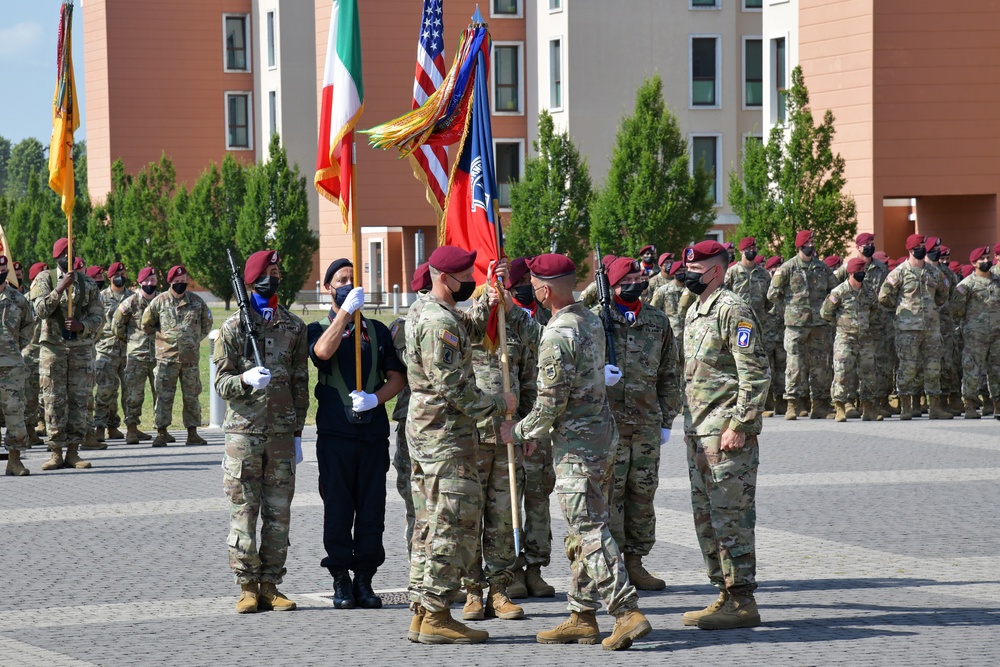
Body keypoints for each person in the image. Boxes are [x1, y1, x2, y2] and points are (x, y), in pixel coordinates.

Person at [500, 253, 652, 651]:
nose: (532, 291)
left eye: (534, 286)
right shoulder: (590, 320)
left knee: (588, 531)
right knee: (585, 527)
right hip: (601, 440)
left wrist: (516, 430)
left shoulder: (557, 334)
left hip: (577, 449)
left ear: (545, 290)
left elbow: (550, 403)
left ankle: (625, 612)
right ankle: (582, 616)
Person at [404, 246, 515, 645]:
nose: (469, 279)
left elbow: (467, 327)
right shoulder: (437, 322)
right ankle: (437, 614)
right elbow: (455, 388)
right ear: (444, 278)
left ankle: (422, 611)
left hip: (428, 431)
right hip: (445, 436)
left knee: (428, 523)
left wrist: (489, 292)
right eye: (465, 275)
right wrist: (499, 404)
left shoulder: (427, 310)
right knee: (452, 523)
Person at [679, 241, 770, 630]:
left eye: (695, 270)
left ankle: (743, 599)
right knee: (707, 518)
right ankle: (723, 592)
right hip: (699, 434)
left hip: (726, 436)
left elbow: (754, 372)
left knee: (731, 515)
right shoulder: (696, 309)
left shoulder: (733, 310)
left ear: (715, 271)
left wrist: (741, 424)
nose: (688, 275)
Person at [213, 250, 309, 614]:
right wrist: (244, 379)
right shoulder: (235, 326)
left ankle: (271, 584)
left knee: (279, 513)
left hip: (282, 433)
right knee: (244, 511)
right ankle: (247, 586)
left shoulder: (294, 326)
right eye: (270, 271)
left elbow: (300, 382)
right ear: (253, 278)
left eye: (278, 271)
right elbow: (221, 382)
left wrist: (298, 432)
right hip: (244, 433)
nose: (276, 276)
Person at [308, 258, 405, 610]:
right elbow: (322, 353)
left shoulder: (377, 331)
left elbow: (397, 377)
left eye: (352, 278)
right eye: (341, 279)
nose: (349, 283)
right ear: (327, 287)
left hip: (372, 435)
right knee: (338, 509)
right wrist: (345, 315)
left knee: (371, 511)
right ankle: (340, 579)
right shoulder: (319, 327)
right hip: (336, 435)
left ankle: (364, 579)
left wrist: (375, 399)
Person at [597, 257, 681, 591]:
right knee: (611, 496)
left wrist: (667, 418)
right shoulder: (596, 320)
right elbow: (576, 369)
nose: (637, 280)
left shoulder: (657, 320)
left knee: (642, 495)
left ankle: (636, 562)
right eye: (628, 277)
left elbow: (670, 372)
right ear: (614, 284)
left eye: (639, 275)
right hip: (610, 426)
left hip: (646, 422)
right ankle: (613, 565)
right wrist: (597, 375)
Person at [464, 257, 539, 621]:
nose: (502, 288)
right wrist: (488, 301)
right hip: (472, 435)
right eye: (496, 282)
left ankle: (499, 589)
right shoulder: (469, 319)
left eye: (505, 283)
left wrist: (528, 428)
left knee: (502, 515)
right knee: (470, 517)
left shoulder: (517, 323)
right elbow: (466, 333)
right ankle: (471, 592)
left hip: (508, 434)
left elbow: (528, 376)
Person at [506, 259, 556, 600]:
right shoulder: (499, 322)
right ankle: (510, 570)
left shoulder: (547, 318)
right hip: (512, 427)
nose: (526, 284)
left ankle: (536, 568)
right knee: (506, 501)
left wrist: (535, 430)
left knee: (539, 499)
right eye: (519, 280)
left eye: (530, 279)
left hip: (541, 426)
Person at [30, 240, 103, 470]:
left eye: (73, 253)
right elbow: (40, 310)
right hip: (53, 349)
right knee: (53, 401)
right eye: (65, 254)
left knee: (79, 400)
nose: (70, 258)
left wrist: (82, 325)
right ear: (57, 256)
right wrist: (60, 288)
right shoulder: (44, 279)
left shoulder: (88, 283)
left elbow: (98, 316)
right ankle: (55, 452)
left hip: (80, 350)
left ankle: (73, 451)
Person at [766, 230, 839, 420]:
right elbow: (772, 294)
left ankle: (819, 405)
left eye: (813, 242)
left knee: (820, 365)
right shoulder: (788, 268)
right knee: (794, 365)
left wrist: (826, 309)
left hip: (819, 324)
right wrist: (790, 307)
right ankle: (792, 405)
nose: (812, 246)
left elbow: (835, 291)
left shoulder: (822, 268)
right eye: (808, 242)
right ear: (800, 245)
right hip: (795, 325)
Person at [878, 234, 951, 420]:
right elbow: (884, 296)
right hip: (907, 329)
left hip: (931, 328)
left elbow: (943, 293)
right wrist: (902, 310)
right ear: (910, 250)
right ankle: (905, 407)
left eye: (923, 246)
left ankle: (935, 407)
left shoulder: (934, 272)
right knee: (908, 368)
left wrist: (932, 308)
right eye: (918, 246)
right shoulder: (899, 273)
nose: (922, 249)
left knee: (934, 367)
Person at [141, 265, 213, 445]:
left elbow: (207, 323)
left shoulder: (196, 302)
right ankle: (162, 432)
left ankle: (192, 433)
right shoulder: (159, 301)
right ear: (170, 282)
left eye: (183, 281)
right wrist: (162, 340)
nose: (180, 284)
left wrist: (194, 339)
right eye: (177, 282)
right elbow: (146, 324)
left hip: (190, 359)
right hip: (167, 359)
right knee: (164, 396)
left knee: (192, 396)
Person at [389, 262, 431, 561]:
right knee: (415, 500)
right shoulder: (405, 326)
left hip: (448, 425)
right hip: (413, 422)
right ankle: (420, 566)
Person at [835, 233, 892, 417]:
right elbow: (833, 291)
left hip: (875, 325)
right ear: (858, 247)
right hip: (850, 327)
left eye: (872, 243)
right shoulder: (847, 268)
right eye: (866, 244)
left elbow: (886, 293)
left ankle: (872, 404)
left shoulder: (881, 268)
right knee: (848, 366)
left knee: (873, 367)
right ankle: (849, 403)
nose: (870, 246)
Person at [821, 257, 881, 421]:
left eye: (863, 271)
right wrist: (841, 324)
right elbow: (825, 313)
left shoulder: (869, 291)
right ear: (851, 273)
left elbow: (875, 309)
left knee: (869, 373)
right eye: (859, 272)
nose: (862, 274)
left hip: (865, 339)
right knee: (842, 373)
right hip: (845, 339)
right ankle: (840, 408)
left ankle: (868, 409)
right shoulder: (839, 292)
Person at [950, 246, 1000, 419]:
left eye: (987, 257)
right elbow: (956, 309)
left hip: (997, 334)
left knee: (997, 370)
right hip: (975, 336)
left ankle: (998, 404)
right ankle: (970, 405)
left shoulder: (998, 281)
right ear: (973, 263)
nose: (986, 261)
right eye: (982, 259)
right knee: (971, 369)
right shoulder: (966, 285)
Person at [111, 267, 158, 443]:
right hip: (137, 356)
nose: (150, 283)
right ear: (140, 282)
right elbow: (117, 325)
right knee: (133, 395)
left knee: (161, 394)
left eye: (153, 280)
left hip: (159, 355)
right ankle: (132, 429)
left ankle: (161, 429)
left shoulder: (162, 300)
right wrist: (131, 341)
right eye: (146, 280)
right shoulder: (130, 302)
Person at [0, 255, 35, 476]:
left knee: (14, 413)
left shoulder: (17, 298)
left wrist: (14, 348)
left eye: (4, 267)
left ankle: (14, 461)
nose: (2, 270)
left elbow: (29, 326)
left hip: (11, 366)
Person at [92, 261, 131, 443]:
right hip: (106, 350)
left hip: (128, 351)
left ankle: (127, 427)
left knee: (129, 392)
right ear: (110, 277)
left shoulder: (132, 297)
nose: (121, 276)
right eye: (118, 273)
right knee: (105, 391)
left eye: (123, 273)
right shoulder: (100, 297)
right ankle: (100, 427)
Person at [21, 262, 48, 446]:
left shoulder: (48, 299)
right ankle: (28, 430)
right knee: (30, 397)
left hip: (46, 353)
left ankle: (41, 425)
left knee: (47, 395)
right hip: (30, 354)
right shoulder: (25, 300)